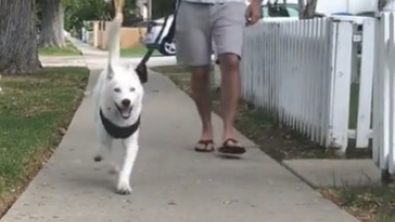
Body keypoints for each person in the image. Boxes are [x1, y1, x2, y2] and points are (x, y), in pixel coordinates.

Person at [175, 0, 262, 154]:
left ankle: (229, 133)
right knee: (199, 69)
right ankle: (207, 130)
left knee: (231, 60)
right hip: (191, 5)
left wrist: (255, 3)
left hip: (231, 4)